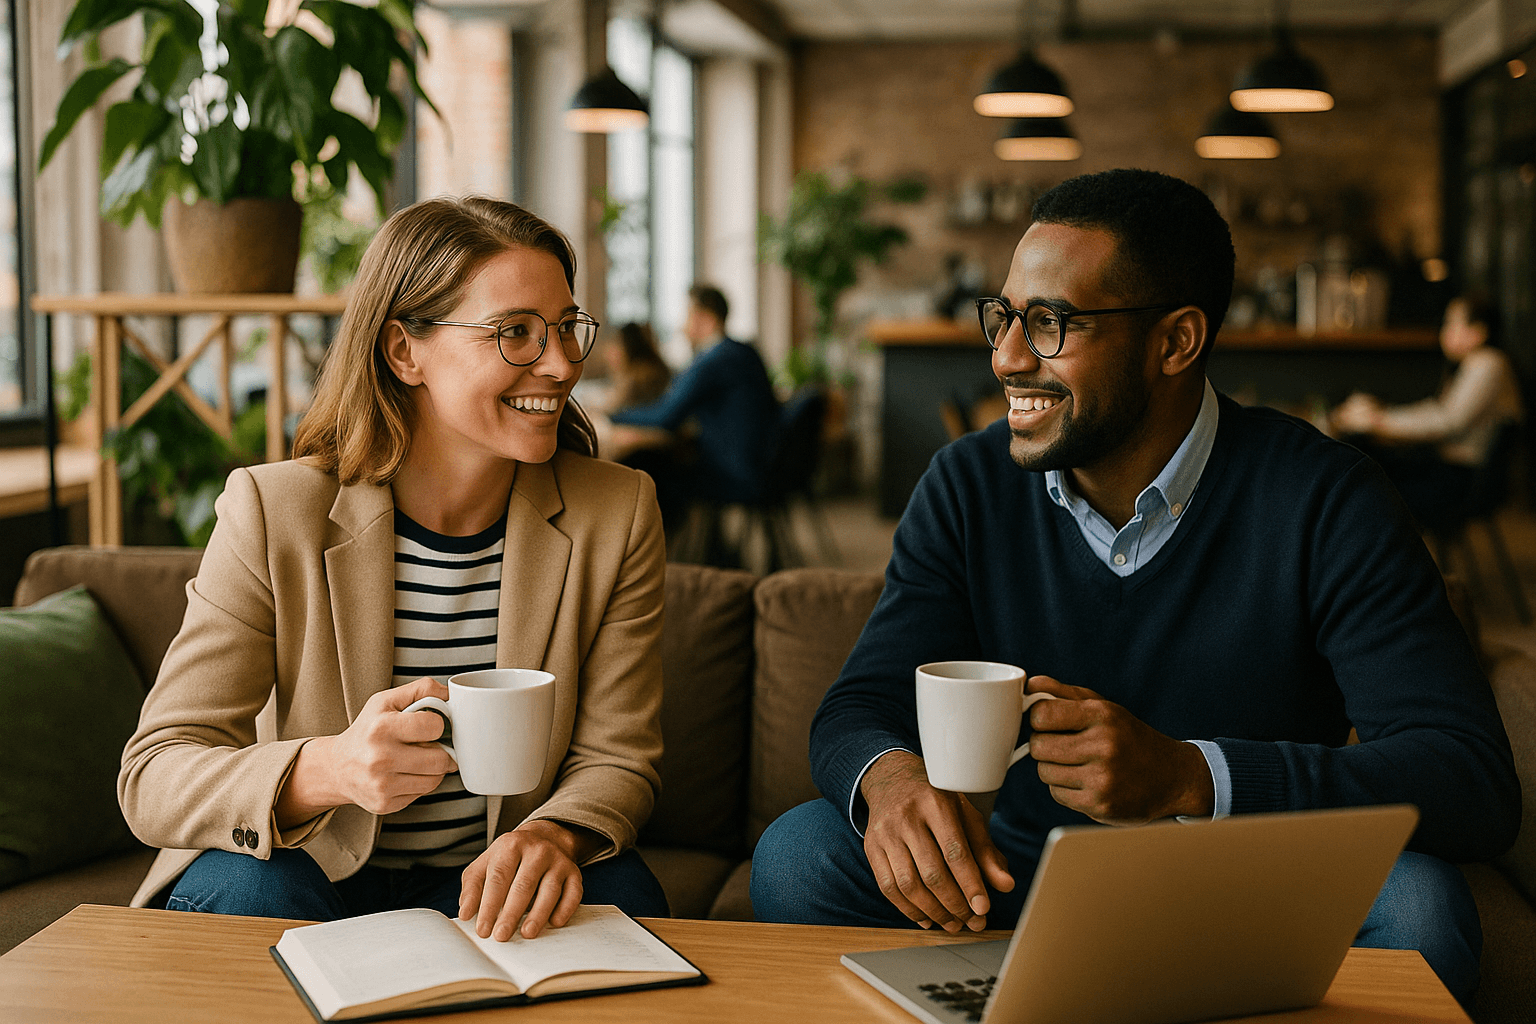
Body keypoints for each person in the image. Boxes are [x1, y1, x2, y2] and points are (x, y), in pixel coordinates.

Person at [748, 169, 1520, 1008]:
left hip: (1243, 883)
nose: (1006, 357)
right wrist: (892, 783)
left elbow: (1469, 778)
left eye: (1050, 324)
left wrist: (1192, 776)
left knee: (1422, 904)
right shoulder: (965, 485)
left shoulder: (1327, 497)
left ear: (1176, 341)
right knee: (799, 854)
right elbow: (859, 702)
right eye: (1004, 317)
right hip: (1007, 883)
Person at [119, 196, 670, 942]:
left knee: (623, 886)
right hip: (308, 868)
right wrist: (330, 769)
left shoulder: (619, 512)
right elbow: (154, 773)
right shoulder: (272, 510)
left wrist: (554, 838)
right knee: (248, 883)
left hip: (485, 882)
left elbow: (619, 754)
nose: (564, 362)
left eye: (566, 328)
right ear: (404, 351)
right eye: (515, 333)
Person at [1331, 293, 1523, 531]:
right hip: (1452, 472)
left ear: (1479, 331)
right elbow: (1439, 411)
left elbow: (1448, 422)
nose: (1445, 331)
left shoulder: (1488, 363)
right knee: (1368, 469)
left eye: (1452, 323)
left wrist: (1376, 421)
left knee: (1366, 482)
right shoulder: (1476, 363)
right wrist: (1381, 415)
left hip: (1462, 481)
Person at [609, 285, 780, 506]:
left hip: (733, 474)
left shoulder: (713, 360)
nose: (682, 326)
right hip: (767, 469)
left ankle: (661, 541)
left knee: (647, 474)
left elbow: (665, 417)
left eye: (687, 315)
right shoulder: (745, 351)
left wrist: (612, 416)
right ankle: (709, 541)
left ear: (706, 320)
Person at [604, 321, 673, 413]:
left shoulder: (641, 375)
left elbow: (616, 409)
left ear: (628, 347)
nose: (611, 351)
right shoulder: (650, 367)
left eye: (618, 344)